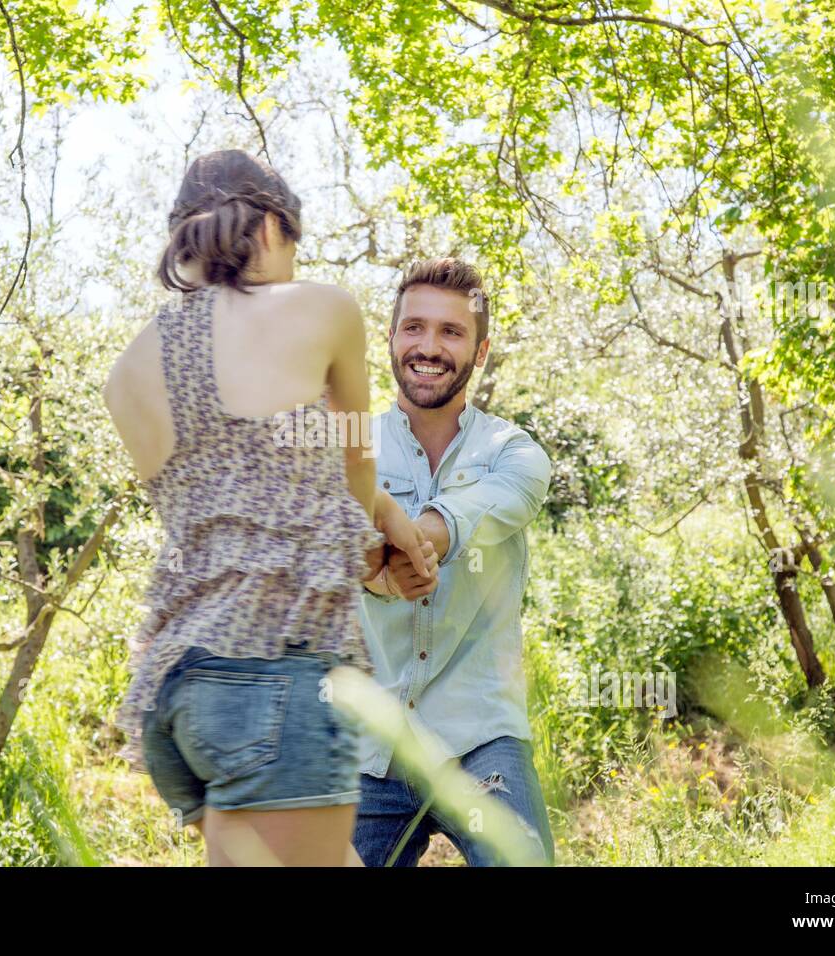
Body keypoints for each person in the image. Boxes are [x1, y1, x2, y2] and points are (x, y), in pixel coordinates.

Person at [103, 149, 434, 866]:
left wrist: (384, 512)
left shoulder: (127, 370)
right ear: (276, 226)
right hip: (273, 679)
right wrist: (378, 554)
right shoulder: (323, 309)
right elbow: (354, 461)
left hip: (177, 693)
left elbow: (243, 495)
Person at [352, 257, 556, 866]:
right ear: (391, 338)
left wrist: (413, 541)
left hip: (481, 737)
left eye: (451, 332)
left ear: (480, 350)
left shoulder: (514, 452)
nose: (429, 347)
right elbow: (329, 549)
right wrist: (376, 573)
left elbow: (482, 508)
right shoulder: (350, 452)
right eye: (414, 327)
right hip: (371, 744)